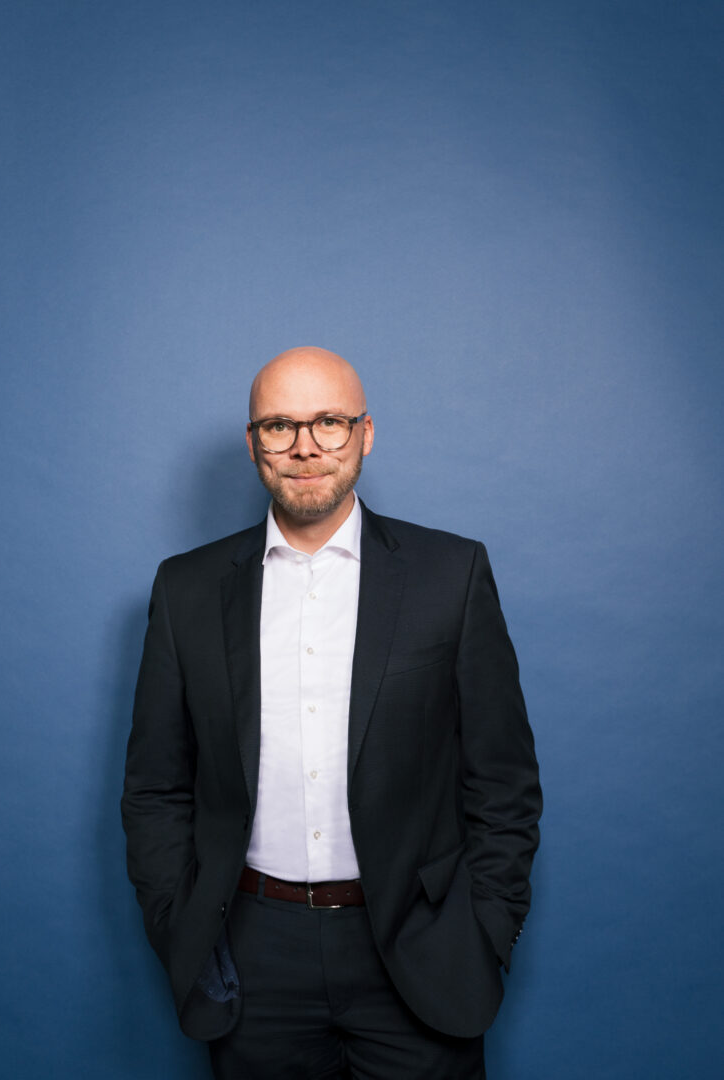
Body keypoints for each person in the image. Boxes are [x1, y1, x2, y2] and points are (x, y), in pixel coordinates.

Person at [121, 346, 542, 1079]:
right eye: (279, 425)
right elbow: (156, 786)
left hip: (419, 949)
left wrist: (485, 929)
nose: (305, 446)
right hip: (251, 953)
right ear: (253, 442)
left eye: (329, 422)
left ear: (365, 433)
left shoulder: (451, 574)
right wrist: (176, 921)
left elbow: (502, 780)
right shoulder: (186, 589)